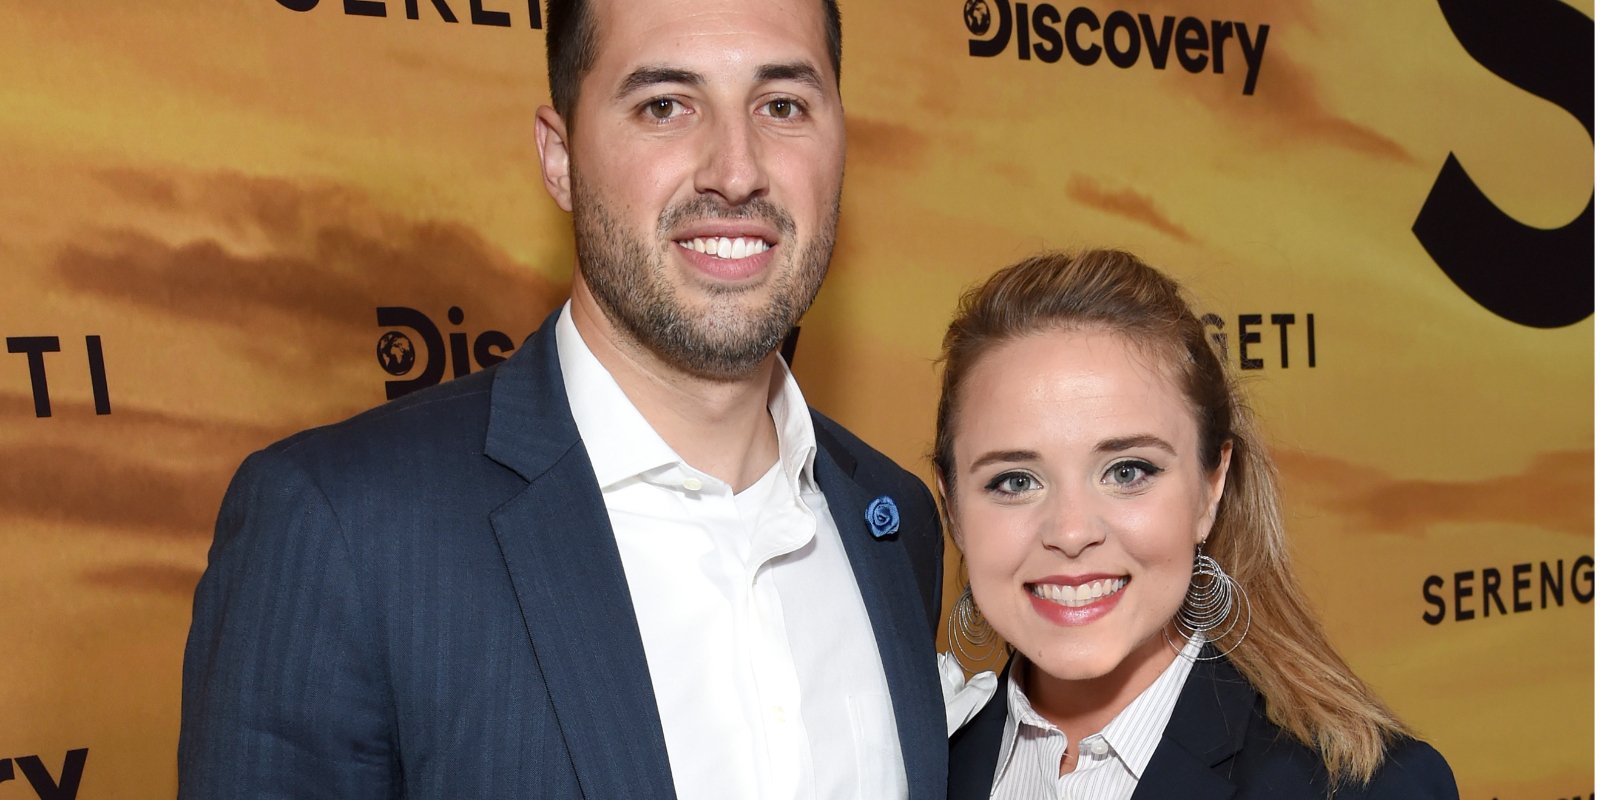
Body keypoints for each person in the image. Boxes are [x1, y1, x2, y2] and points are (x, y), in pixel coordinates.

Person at [177, 0, 947, 796]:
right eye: (665, 106)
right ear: (559, 157)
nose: (736, 170)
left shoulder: (892, 522)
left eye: (782, 105)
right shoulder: (343, 531)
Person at [935, 250, 1457, 799]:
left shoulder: (1367, 789)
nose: (1070, 532)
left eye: (1127, 470)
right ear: (952, 510)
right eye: (1015, 481)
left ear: (1212, 488)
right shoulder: (909, 765)